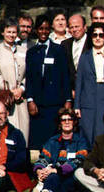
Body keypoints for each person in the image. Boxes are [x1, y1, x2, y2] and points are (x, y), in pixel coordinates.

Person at [25, 14, 71, 150]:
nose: (43, 32)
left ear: (50, 29)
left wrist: (68, 100)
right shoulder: (32, 52)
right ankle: (37, 168)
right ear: (36, 30)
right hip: (38, 104)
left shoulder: (59, 50)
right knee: (37, 140)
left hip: (55, 103)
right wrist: (30, 100)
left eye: (46, 29)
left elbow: (65, 76)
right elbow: (29, 78)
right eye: (40, 29)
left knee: (55, 138)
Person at [32, 108, 88, 192]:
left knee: (63, 181)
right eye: (63, 120)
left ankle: (42, 191)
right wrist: (40, 170)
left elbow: (79, 160)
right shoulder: (52, 141)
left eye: (69, 119)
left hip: (72, 175)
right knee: (53, 176)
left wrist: (57, 170)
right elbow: (43, 157)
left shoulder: (80, 141)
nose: (66, 122)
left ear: (74, 122)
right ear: (60, 123)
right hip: (52, 173)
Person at [74, 22, 104, 148]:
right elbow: (79, 81)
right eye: (94, 35)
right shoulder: (85, 56)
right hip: (88, 96)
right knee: (87, 128)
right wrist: (77, 105)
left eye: (101, 35)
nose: (98, 38)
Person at [0, 18, 29, 145]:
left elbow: (30, 74)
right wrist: (11, 90)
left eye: (14, 32)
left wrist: (21, 89)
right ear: (3, 33)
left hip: (20, 99)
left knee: (22, 133)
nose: (11, 35)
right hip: (4, 98)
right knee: (5, 134)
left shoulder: (24, 51)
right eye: (8, 32)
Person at [61, 14, 89, 96]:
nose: (74, 30)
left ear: (85, 27)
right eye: (71, 27)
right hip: (71, 93)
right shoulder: (65, 44)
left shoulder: (92, 43)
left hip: (89, 92)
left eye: (77, 26)